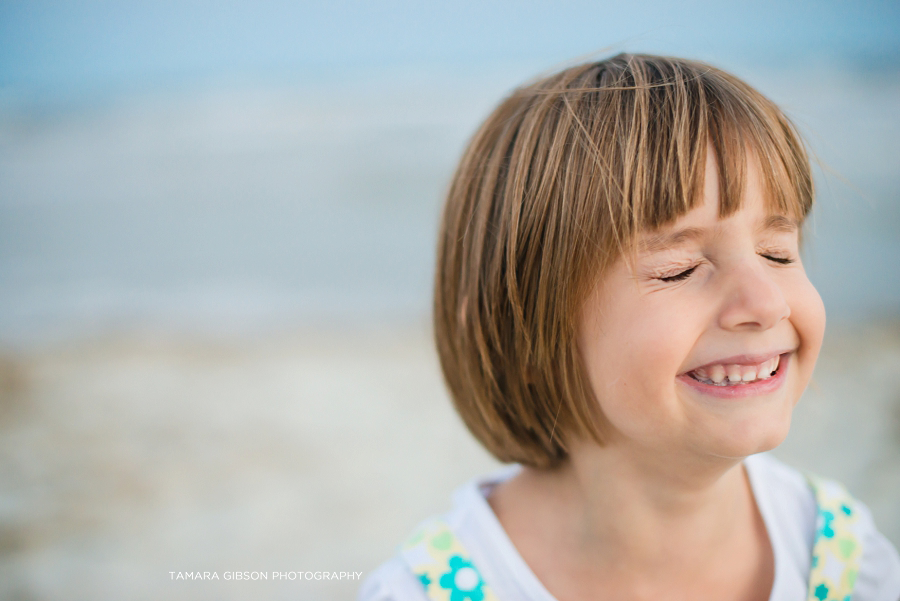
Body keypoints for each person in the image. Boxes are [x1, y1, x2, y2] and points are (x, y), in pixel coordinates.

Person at [359, 53, 900, 601]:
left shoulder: (842, 558)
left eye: (778, 253)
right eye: (679, 269)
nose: (765, 303)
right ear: (521, 333)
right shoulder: (426, 591)